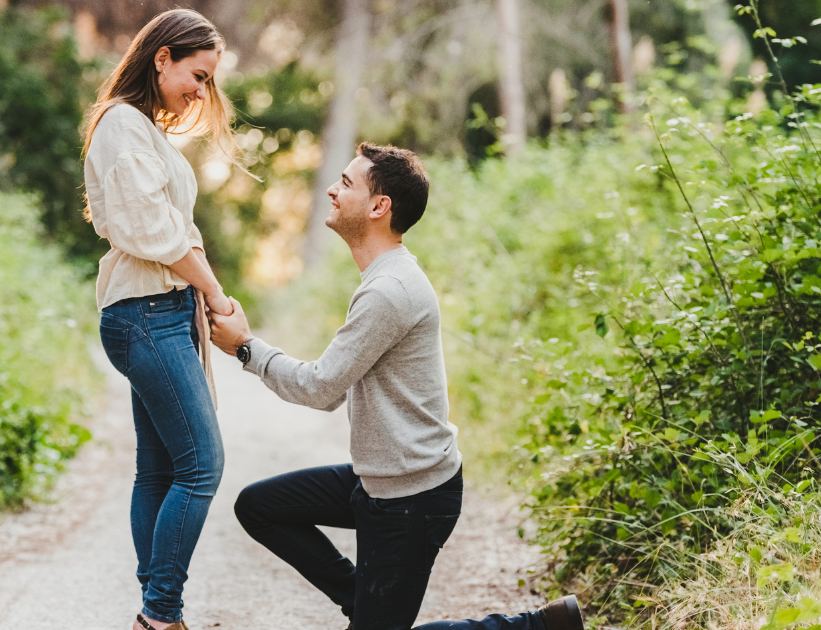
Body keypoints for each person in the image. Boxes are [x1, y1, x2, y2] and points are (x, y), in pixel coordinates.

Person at [208, 143, 586, 630]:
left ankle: (534, 627)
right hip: (378, 482)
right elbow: (338, 385)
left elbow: (321, 388)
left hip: (414, 499)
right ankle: (367, 607)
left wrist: (245, 348)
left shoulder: (391, 291)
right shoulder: (381, 279)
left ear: (378, 207)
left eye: (345, 183)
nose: (331, 188)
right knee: (260, 507)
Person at [81, 9, 238, 630]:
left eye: (207, 82)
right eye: (196, 76)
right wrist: (218, 296)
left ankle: (154, 606)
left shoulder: (141, 128)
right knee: (203, 465)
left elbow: (174, 231)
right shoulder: (121, 124)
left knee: (163, 469)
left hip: (157, 311)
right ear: (161, 58)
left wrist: (199, 292)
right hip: (147, 313)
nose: (200, 92)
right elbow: (156, 231)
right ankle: (160, 615)